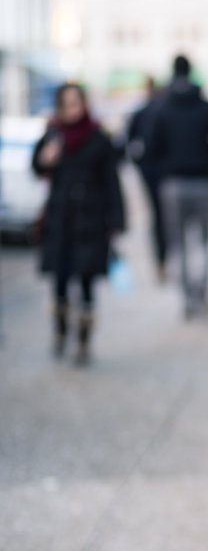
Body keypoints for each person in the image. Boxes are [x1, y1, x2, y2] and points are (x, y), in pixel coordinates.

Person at [32, 83, 125, 364]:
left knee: (86, 281)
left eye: (76, 103)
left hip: (91, 222)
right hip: (59, 220)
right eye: (67, 104)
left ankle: (83, 341)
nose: (72, 109)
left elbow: (112, 181)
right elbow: (36, 167)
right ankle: (60, 332)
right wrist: (45, 159)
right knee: (59, 282)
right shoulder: (53, 134)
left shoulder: (98, 137)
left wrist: (117, 220)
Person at [149, 54, 208, 317]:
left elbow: (151, 149)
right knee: (204, 242)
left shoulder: (161, 108)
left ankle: (187, 299)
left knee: (179, 244)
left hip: (172, 184)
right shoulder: (207, 108)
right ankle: (203, 292)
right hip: (202, 180)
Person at [126, 75, 167, 281]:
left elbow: (130, 143)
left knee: (157, 216)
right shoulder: (163, 109)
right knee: (165, 217)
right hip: (164, 173)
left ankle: (161, 260)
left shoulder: (141, 112)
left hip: (150, 172)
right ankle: (164, 259)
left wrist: (140, 164)